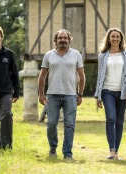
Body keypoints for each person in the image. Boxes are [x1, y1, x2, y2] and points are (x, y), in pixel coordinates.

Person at [38, 29, 85, 159]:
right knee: (51, 124)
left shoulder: (76, 54)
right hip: (52, 95)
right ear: (56, 41)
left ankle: (67, 153)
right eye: (60, 38)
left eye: (65, 38)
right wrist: (41, 94)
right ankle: (53, 148)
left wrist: (80, 94)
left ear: (69, 40)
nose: (63, 40)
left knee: (69, 124)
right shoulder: (49, 55)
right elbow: (42, 76)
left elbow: (81, 76)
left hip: (70, 95)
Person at [94, 27, 126, 160]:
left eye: (117, 37)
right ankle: (111, 150)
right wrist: (97, 95)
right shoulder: (102, 55)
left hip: (122, 92)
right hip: (107, 91)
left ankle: (116, 152)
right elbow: (100, 76)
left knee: (119, 121)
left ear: (121, 39)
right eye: (113, 36)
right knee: (110, 118)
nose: (115, 39)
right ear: (109, 39)